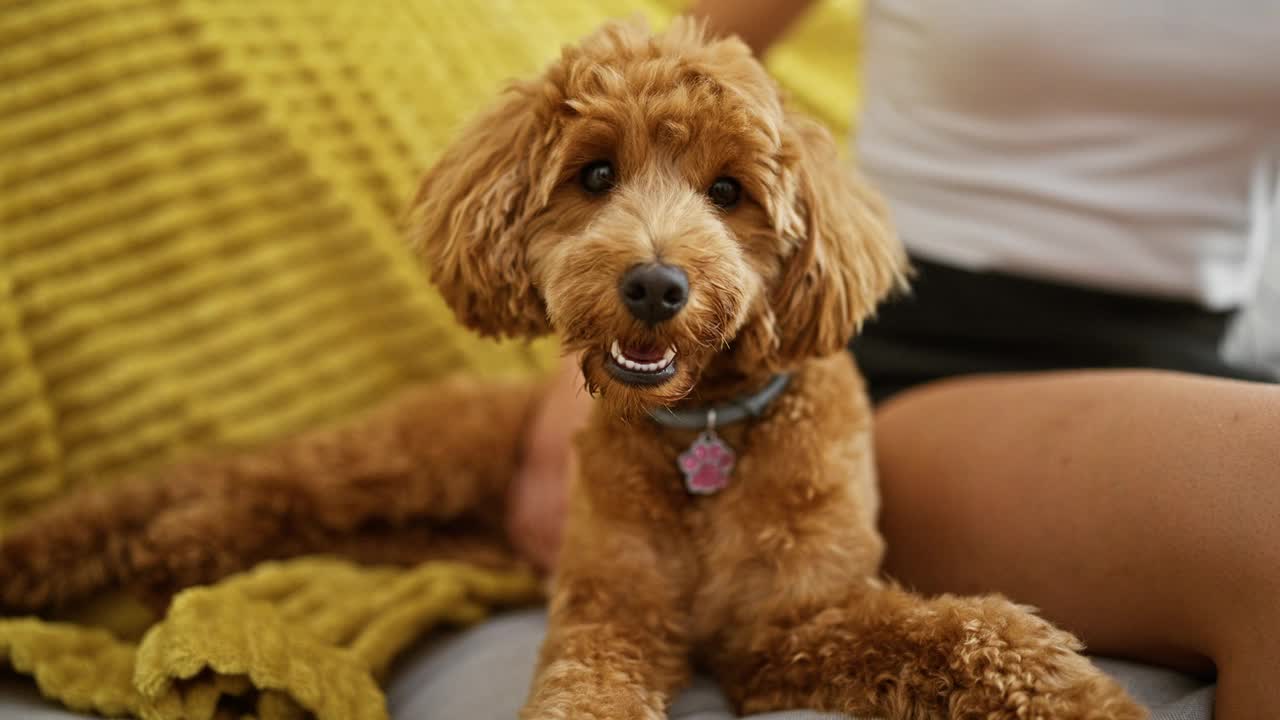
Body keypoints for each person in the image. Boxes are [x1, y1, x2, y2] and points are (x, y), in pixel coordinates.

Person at [509, 1, 1280, 717]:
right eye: (600, 179)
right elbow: (682, 59)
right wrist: (571, 392)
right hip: (925, 356)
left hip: (1192, 367)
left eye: (725, 190)